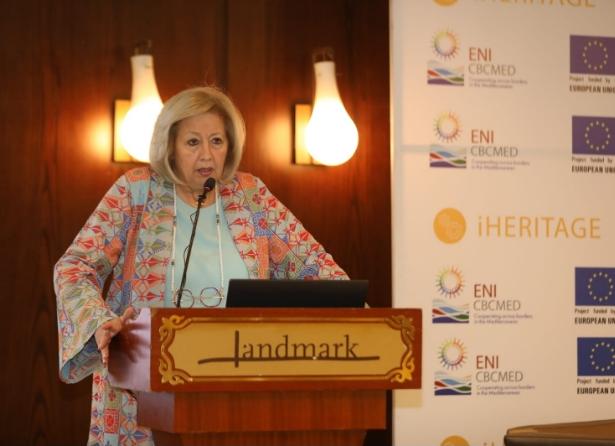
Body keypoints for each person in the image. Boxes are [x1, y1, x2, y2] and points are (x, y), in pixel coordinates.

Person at [54, 86, 348, 445]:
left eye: (217, 141)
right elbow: (75, 267)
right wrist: (100, 321)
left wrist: (356, 317)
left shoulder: (251, 196)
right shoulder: (136, 191)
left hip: (239, 392)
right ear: (170, 146)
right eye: (193, 142)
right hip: (142, 393)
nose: (206, 154)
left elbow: (317, 269)